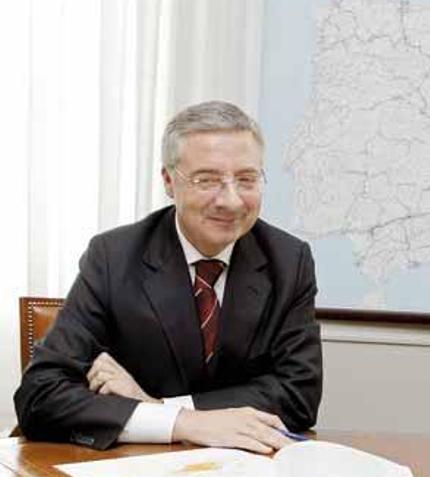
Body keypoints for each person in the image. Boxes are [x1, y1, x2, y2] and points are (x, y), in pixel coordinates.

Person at [15, 101, 322, 453]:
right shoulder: (114, 257)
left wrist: (159, 408)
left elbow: (299, 396)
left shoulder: (289, 260)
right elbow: (40, 396)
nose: (232, 201)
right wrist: (185, 423)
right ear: (168, 181)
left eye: (246, 179)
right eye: (207, 180)